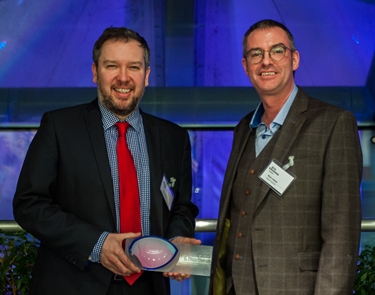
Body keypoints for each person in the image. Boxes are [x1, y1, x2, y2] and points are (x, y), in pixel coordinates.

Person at [13, 27, 200, 295]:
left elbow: (180, 206)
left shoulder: (173, 137)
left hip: (149, 287)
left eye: (134, 67)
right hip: (74, 285)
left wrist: (176, 239)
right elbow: (29, 204)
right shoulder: (60, 127)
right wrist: (97, 244)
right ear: (95, 72)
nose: (123, 78)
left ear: (146, 75)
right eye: (112, 66)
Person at [209, 19, 362, 295]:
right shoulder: (244, 128)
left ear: (294, 59)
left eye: (277, 51)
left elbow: (341, 236)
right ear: (246, 67)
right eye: (256, 54)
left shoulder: (333, 123)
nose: (266, 61)